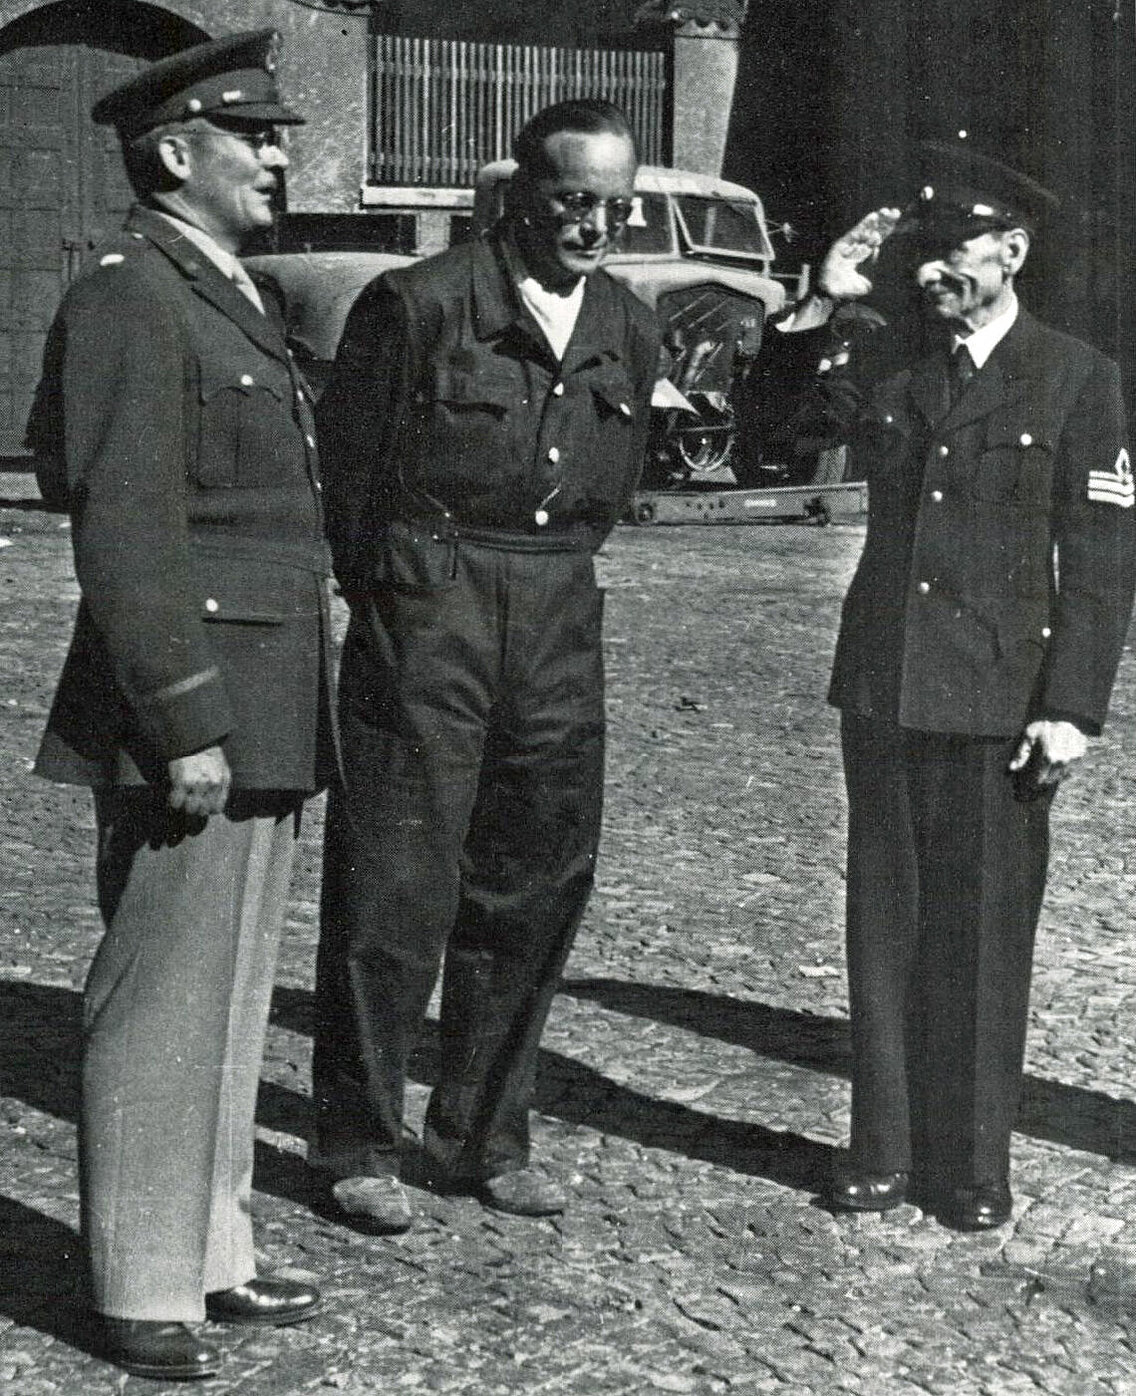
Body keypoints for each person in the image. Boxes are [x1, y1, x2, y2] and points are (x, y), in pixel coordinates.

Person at [28, 30, 336, 1380]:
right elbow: (125, 525)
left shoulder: (221, 288)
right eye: (253, 134)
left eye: (278, 132)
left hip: (261, 698)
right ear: (174, 155)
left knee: (227, 997)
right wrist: (182, 716)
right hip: (199, 710)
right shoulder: (128, 296)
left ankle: (211, 1246)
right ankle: (140, 1276)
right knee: (160, 999)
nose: (281, 153)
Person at [310, 99, 660, 1232]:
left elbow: (614, 483)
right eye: (571, 201)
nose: (592, 226)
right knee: (395, 883)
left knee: (537, 877)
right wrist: (403, 600)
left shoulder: (624, 320)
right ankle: (358, 1139)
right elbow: (349, 486)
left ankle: (479, 1136)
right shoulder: (416, 305)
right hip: (432, 601)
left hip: (558, 607)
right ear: (516, 195)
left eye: (614, 206)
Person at [788, 142, 1136, 1230]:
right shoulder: (892, 361)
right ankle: (880, 1149)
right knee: (882, 926)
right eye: (917, 254)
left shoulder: (1074, 376)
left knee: (981, 932)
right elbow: (785, 427)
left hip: (1000, 697)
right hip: (886, 684)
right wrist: (828, 306)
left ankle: (971, 1160)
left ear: (1010, 251)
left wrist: (1070, 707)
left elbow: (1099, 557)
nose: (927, 271)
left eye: (948, 253)